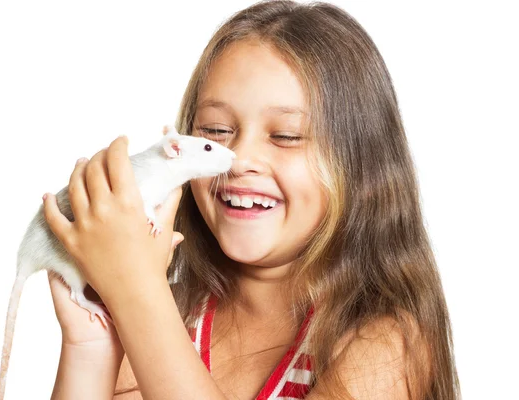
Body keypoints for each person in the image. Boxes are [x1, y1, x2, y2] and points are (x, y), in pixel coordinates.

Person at [42, 1, 460, 399]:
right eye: (217, 131)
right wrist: (90, 348)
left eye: (286, 136)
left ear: (364, 171)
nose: (238, 161)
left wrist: (136, 290)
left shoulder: (385, 341)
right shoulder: (166, 314)